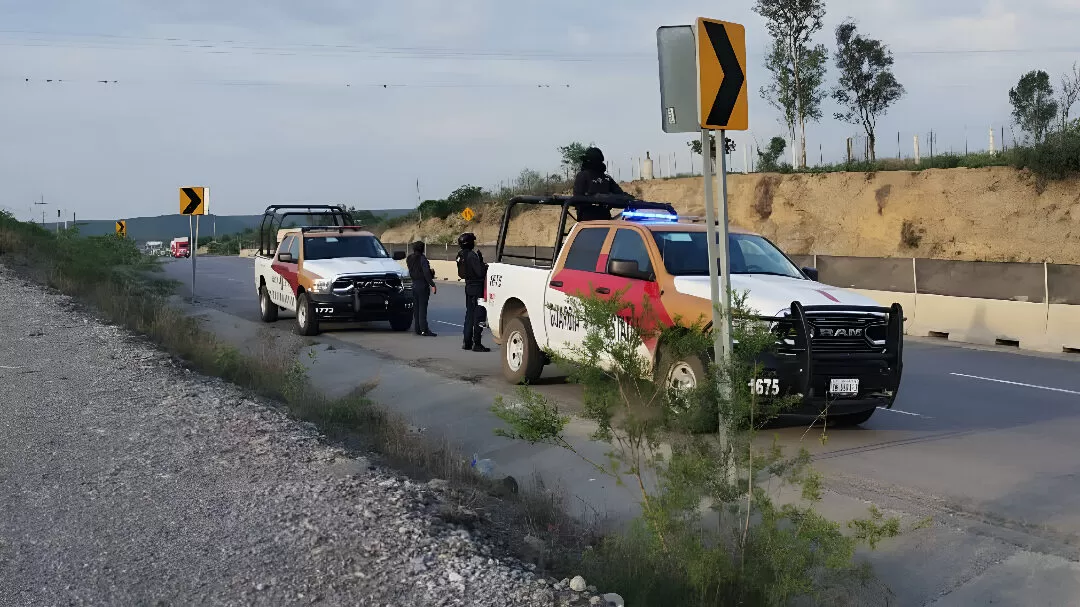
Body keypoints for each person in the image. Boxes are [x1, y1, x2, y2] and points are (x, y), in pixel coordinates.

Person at [455, 232, 490, 352]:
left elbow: (461, 273)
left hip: (468, 286)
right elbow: (480, 272)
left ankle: (467, 342)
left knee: (469, 314)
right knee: (479, 315)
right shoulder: (471, 255)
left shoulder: (460, 255)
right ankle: (477, 343)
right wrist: (483, 264)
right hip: (477, 287)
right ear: (469, 243)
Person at [572, 146, 626, 221]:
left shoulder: (583, 176)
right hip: (596, 221)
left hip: (588, 223)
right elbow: (578, 198)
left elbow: (621, 196)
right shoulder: (606, 178)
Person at [406, 240, 437, 337]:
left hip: (414, 284)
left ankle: (417, 328)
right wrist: (432, 284)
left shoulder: (409, 258)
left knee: (416, 308)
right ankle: (424, 329)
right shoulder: (422, 259)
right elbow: (426, 273)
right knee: (422, 308)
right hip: (422, 285)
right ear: (422, 249)